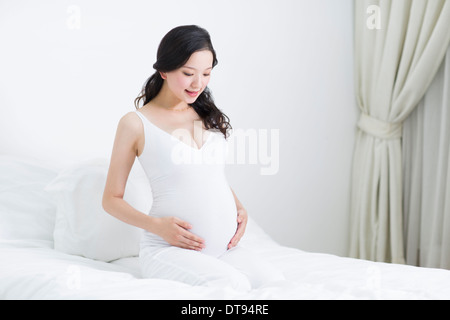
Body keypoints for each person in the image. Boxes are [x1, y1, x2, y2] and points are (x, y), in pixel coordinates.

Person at [102, 25, 284, 291]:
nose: (198, 83)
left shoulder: (205, 115)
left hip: (224, 249)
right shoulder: (136, 123)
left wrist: (239, 207)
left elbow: (208, 174)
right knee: (229, 285)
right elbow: (110, 200)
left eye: (206, 74)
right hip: (168, 249)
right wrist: (157, 226)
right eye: (188, 73)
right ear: (164, 70)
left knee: (275, 285)